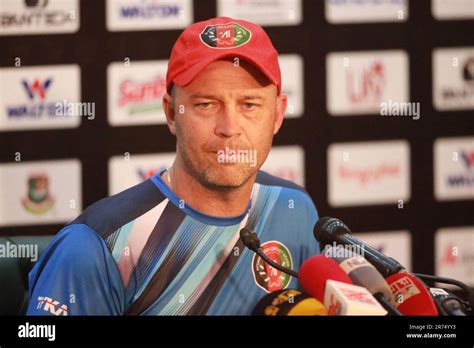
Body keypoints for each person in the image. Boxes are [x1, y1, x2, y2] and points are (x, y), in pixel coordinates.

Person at [27, 16, 320, 316]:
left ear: (277, 115)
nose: (230, 127)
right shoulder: (94, 248)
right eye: (206, 104)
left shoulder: (294, 208)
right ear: (170, 113)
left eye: (250, 105)